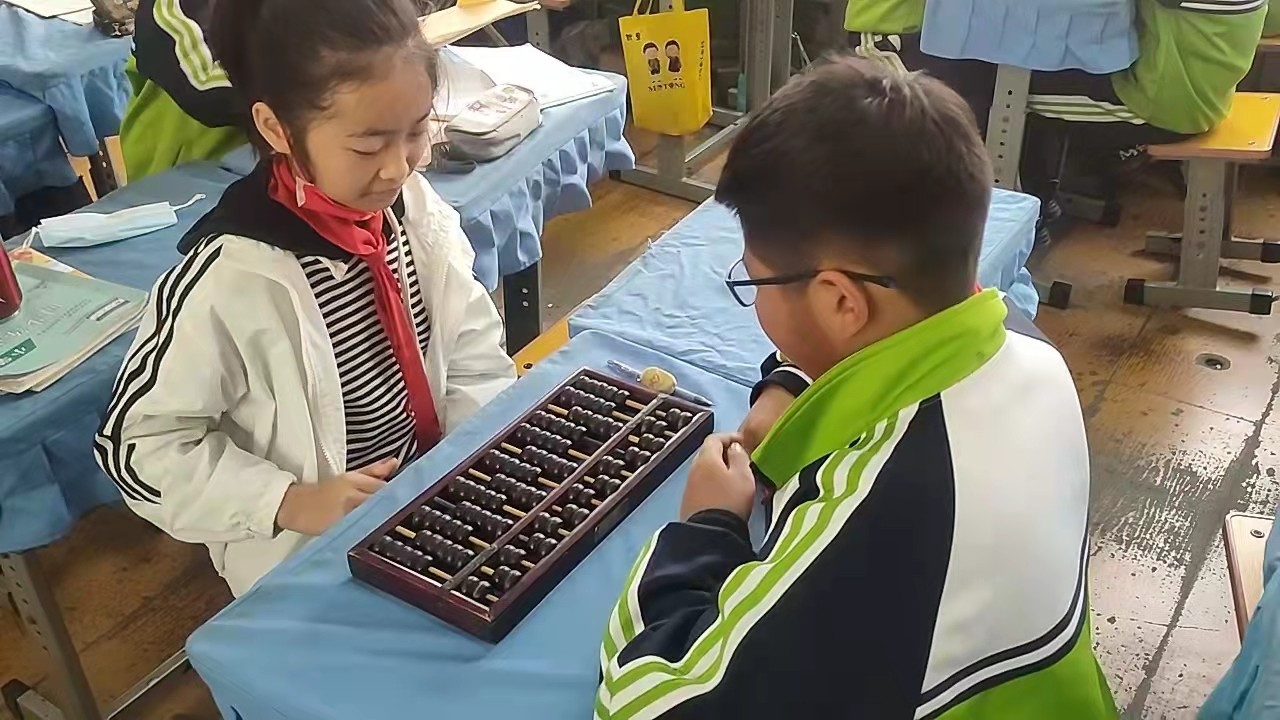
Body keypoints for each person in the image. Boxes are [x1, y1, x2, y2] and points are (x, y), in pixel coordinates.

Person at [594, 57, 1116, 719]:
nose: (755, 300)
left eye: (754, 281)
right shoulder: (1029, 347)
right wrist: (791, 381)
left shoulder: (885, 508)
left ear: (842, 301)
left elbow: (647, 704)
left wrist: (707, 528)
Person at [94, 0, 516, 597]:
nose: (398, 168)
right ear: (276, 129)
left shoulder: (412, 208)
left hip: (437, 501)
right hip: (316, 554)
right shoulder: (229, 280)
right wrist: (287, 501)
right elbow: (137, 447)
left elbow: (469, 339)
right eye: (367, 147)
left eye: (416, 131)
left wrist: (469, 454)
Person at [120, 0, 248, 182]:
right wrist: (286, 92)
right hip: (183, 166)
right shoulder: (169, 7)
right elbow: (204, 87)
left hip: (248, 155)